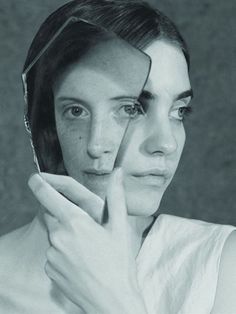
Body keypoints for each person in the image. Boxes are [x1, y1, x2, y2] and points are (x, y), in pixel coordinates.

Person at [0, 0, 235, 313]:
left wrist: (114, 301)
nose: (166, 143)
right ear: (49, 122)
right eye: (133, 109)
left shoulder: (219, 266)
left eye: (179, 111)